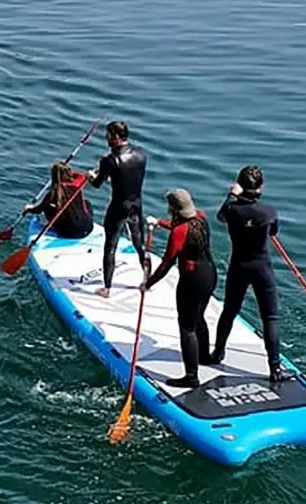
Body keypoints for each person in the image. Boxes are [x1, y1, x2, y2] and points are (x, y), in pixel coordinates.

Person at [206, 165, 293, 383]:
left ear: (239, 185)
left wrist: (231, 195)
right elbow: (273, 231)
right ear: (261, 186)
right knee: (270, 317)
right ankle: (275, 369)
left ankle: (218, 353)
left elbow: (220, 216)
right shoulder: (269, 211)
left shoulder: (232, 210)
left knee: (229, 311)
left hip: (239, 266)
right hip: (262, 268)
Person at [140, 189, 217, 388]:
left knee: (187, 328)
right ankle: (205, 357)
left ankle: (191, 376)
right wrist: (159, 223)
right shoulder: (201, 217)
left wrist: (147, 283)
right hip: (209, 275)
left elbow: (167, 263)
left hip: (191, 281)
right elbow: (182, 227)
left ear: (172, 208)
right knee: (198, 317)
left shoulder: (178, 232)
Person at [86, 120, 148, 298]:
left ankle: (106, 288)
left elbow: (98, 184)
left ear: (116, 136)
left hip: (118, 207)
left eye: (108, 135)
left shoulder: (110, 160)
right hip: (136, 205)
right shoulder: (141, 154)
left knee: (110, 246)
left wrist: (92, 176)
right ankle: (147, 279)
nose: (106, 138)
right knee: (139, 244)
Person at [23, 161, 94, 239]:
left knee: (48, 207)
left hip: (69, 233)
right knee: (87, 203)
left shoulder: (53, 194)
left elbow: (38, 210)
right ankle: (82, 220)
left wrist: (28, 208)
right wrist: (66, 170)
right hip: (88, 228)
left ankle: (57, 226)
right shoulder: (77, 185)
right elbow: (80, 176)